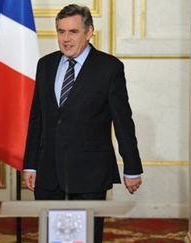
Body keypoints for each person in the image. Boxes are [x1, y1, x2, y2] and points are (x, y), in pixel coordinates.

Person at [23, 4, 143, 242]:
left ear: (89, 32)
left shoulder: (109, 68)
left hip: (89, 173)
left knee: (84, 238)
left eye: (73, 32)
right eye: (61, 31)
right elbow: (37, 118)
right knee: (51, 237)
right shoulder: (45, 65)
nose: (66, 39)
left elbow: (123, 122)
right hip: (48, 173)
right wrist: (31, 165)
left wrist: (132, 167)